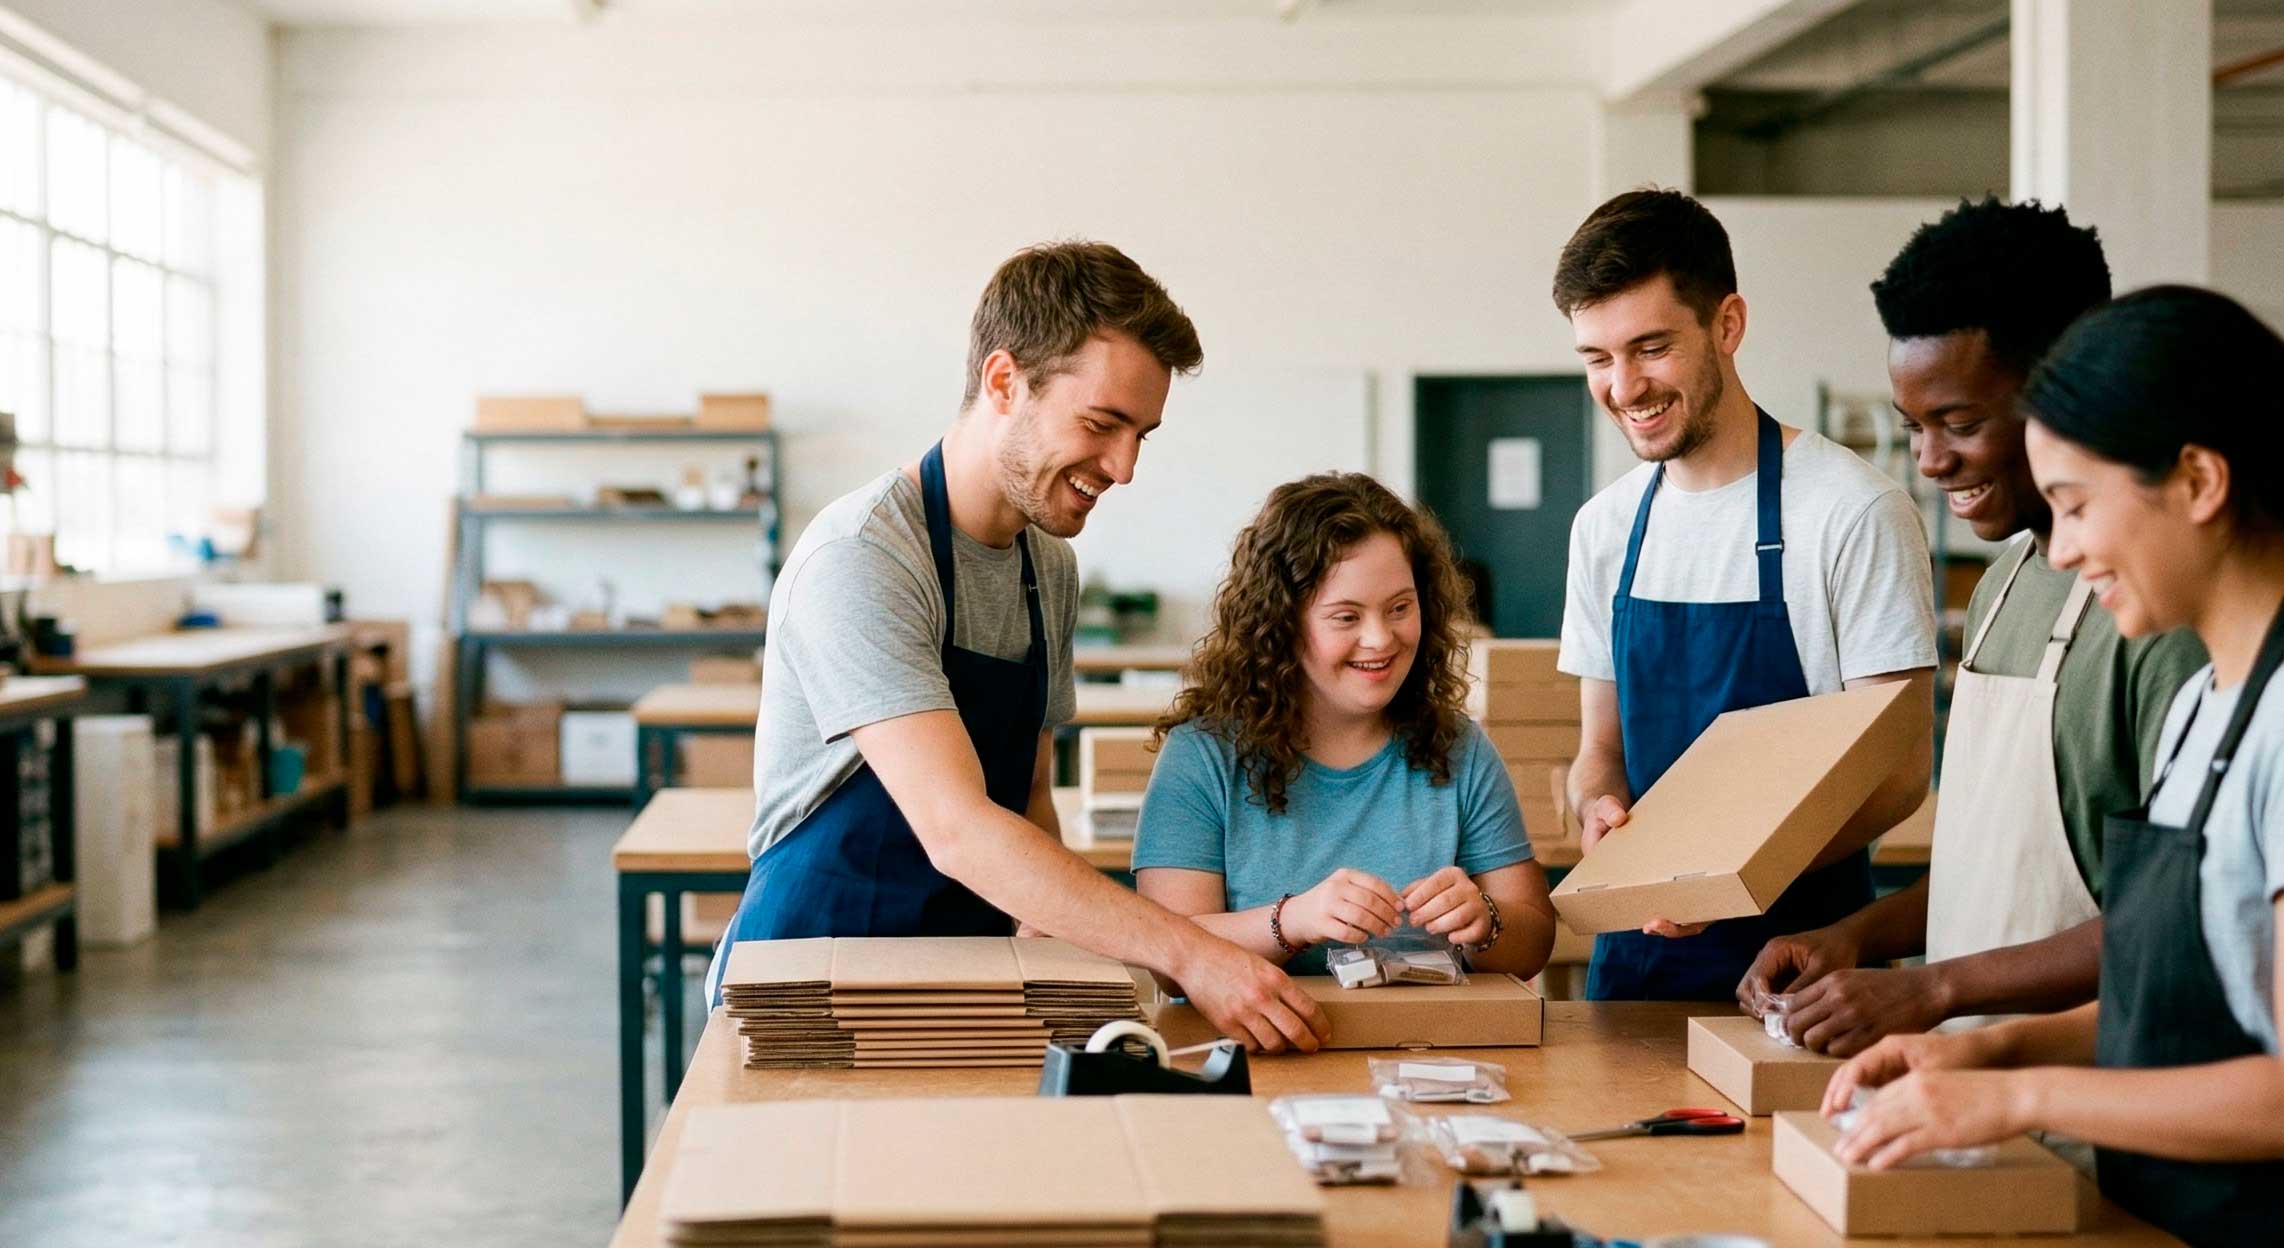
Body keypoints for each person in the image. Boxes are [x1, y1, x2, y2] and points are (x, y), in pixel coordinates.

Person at [708, 241, 1326, 1053]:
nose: (1125, 467)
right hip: (810, 985)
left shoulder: (1049, 571)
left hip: (967, 980)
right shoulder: (863, 558)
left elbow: (1026, 803)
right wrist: (1194, 954)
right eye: (1102, 425)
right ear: (1005, 382)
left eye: (1143, 434)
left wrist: (1059, 955)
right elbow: (958, 827)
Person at [1827, 286, 2284, 1248]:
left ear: (2198, 480)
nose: (2064, 549)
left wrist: (2021, 1092)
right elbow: (2182, 1007)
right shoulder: (2214, 703)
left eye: (2077, 506)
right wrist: (1989, 1049)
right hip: (2177, 1245)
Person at [1738, 199, 2207, 1054]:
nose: (1930, 460)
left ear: (2070, 388)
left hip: (2099, 1101)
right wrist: (1860, 936)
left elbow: (2169, 920)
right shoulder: (1998, 590)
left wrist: (1933, 988)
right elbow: (1988, 871)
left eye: (1961, 424)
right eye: (1912, 427)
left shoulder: (2162, 624)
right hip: (1965, 1087)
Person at [1551, 189, 1936, 1002]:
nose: (1624, 386)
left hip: (1807, 970)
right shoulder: (1604, 529)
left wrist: (1730, 875)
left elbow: (1899, 774)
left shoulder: (1850, 510)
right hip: (1638, 967)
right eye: (1597, 358)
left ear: (1727, 324)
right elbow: (1600, 754)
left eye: (1651, 347)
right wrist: (1598, 813)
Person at [1132, 473, 1558, 978]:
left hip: (1428, 1046)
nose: (1380, 639)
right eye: (1345, 617)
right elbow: (1164, 955)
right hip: (1261, 1049)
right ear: (1282, 624)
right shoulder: (1203, 756)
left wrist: (1485, 920)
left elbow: (1533, 944)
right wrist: (1292, 920)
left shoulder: (1460, 748)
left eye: (1400, 608)